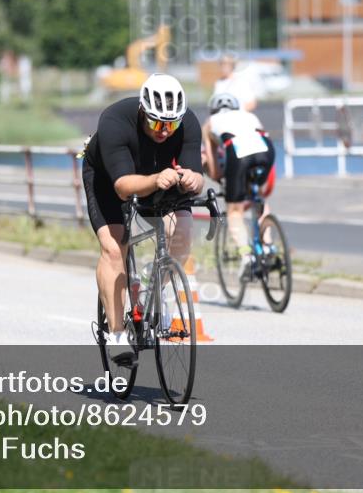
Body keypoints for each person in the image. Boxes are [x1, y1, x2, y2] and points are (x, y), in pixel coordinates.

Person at [81, 73, 204, 365]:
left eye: (171, 124)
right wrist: (156, 179)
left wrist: (193, 180)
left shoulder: (187, 122)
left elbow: (199, 176)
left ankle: (154, 285)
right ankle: (117, 333)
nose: (164, 131)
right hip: (109, 179)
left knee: (183, 229)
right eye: (156, 123)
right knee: (114, 249)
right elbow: (122, 187)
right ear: (142, 111)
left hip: (158, 177)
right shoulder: (114, 121)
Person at [202, 92, 276, 274]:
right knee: (257, 197)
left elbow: (214, 169)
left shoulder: (209, 123)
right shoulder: (249, 115)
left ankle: (246, 256)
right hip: (266, 150)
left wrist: (219, 178)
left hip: (238, 152)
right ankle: (268, 245)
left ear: (213, 110)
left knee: (235, 211)